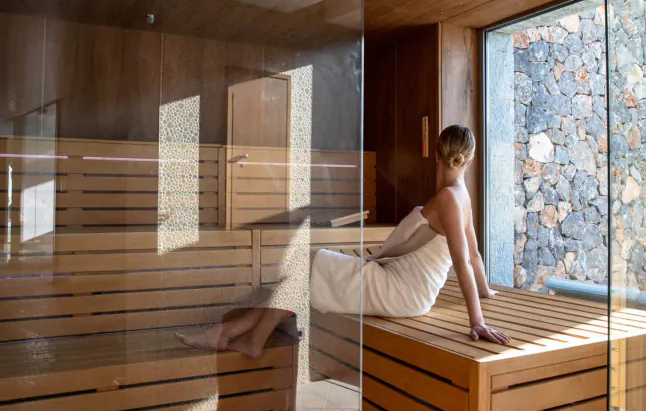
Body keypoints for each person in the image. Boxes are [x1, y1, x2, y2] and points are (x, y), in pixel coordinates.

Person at [176, 125, 510, 357]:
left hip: (403, 291)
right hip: (401, 284)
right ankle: (241, 335)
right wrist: (484, 291)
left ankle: (242, 336)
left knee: (307, 262)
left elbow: (465, 260)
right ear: (469, 159)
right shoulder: (461, 197)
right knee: (304, 267)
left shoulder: (450, 200)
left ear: (435, 155)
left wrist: (477, 320)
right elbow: (475, 256)